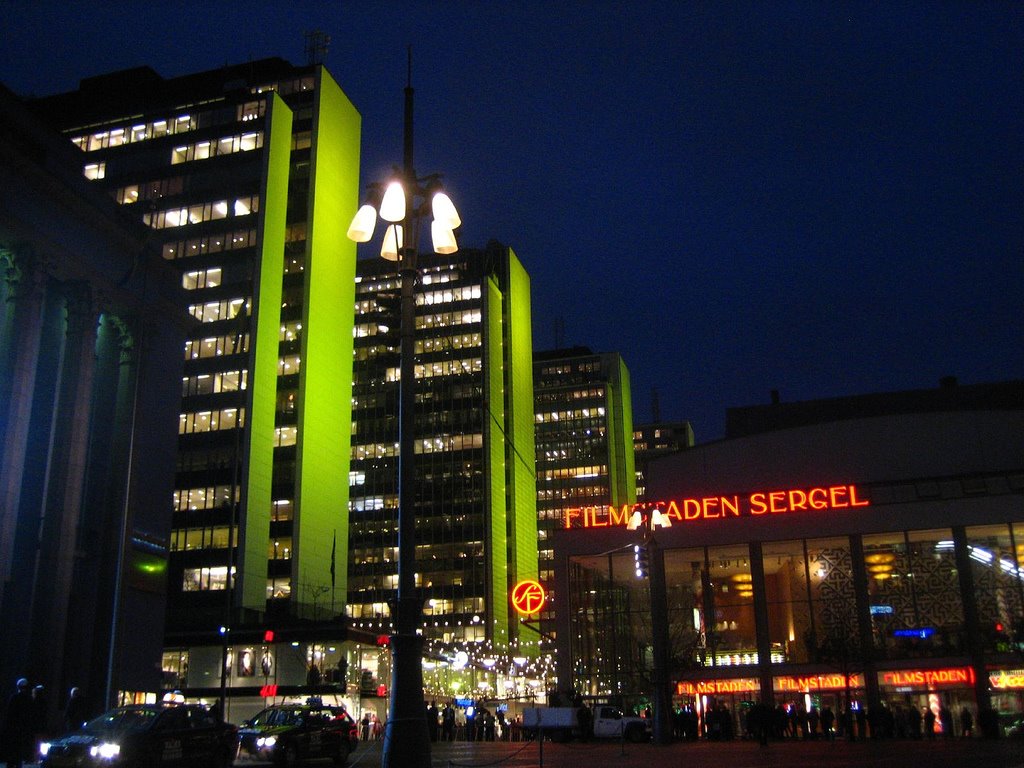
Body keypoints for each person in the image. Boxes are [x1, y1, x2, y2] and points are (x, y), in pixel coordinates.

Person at [2, 678, 35, 768]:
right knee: (20, 752)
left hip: (14, 729)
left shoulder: (14, 698)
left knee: (12, 751)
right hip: (24, 729)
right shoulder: (29, 699)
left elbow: (9, 714)